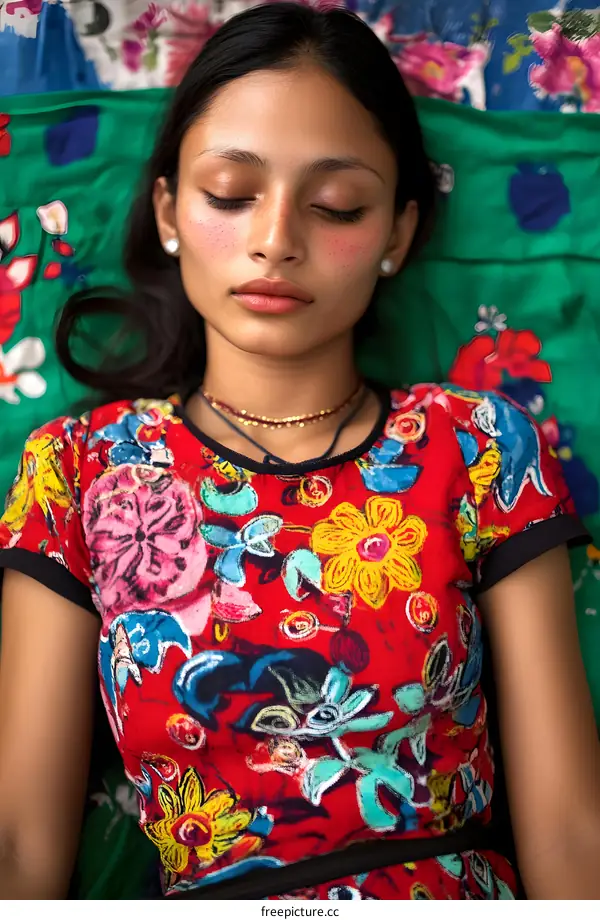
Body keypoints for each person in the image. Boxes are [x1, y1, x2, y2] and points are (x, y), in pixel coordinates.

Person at [0, 3, 598, 901]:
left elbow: (567, 830)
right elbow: (17, 844)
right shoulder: (79, 471)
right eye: (230, 195)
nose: (276, 240)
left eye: (335, 205)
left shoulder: (477, 446)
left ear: (397, 233)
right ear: (166, 209)